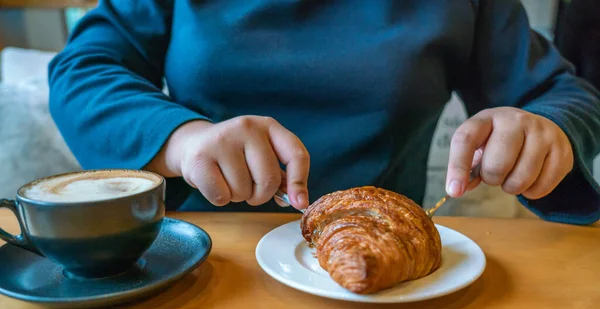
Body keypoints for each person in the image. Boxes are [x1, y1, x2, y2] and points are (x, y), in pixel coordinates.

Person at [48, 0, 600, 225]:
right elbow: (83, 68)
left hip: (387, 282)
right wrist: (184, 139)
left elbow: (564, 94)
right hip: (202, 266)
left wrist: (549, 131)